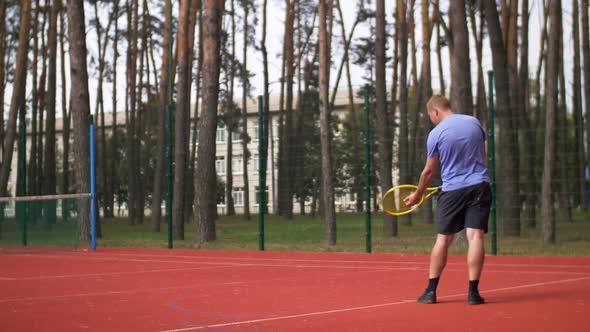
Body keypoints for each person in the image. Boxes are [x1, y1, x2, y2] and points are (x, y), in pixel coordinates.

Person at [404, 95, 491, 305]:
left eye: (430, 116)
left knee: (443, 240)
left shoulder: (436, 134)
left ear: (435, 112)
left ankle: (430, 292)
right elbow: (483, 152)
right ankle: (473, 293)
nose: (431, 119)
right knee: (475, 236)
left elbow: (429, 171)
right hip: (479, 185)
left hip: (452, 191)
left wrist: (418, 194)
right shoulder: (474, 122)